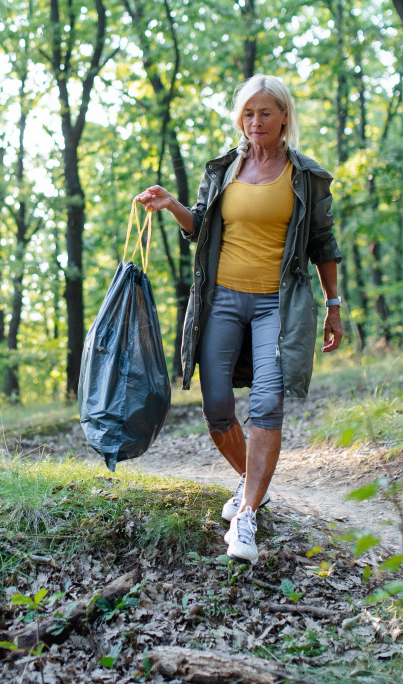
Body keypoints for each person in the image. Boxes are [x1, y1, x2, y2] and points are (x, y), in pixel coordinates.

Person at [134, 74, 343, 564]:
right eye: (248, 114)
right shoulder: (224, 169)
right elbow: (203, 226)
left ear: (285, 116)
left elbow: (323, 245)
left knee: (268, 401)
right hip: (221, 299)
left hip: (278, 303)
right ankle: (254, 484)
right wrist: (173, 207)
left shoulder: (305, 178)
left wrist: (334, 306)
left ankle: (246, 516)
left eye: (265, 113)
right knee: (217, 406)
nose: (256, 123)